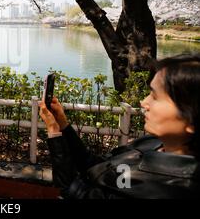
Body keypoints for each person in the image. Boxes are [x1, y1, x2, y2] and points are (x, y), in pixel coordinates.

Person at [39, 54, 200, 198]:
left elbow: (74, 191)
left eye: (155, 96)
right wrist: (63, 124)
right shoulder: (153, 143)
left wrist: (54, 133)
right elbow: (95, 165)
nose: (144, 102)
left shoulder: (169, 190)